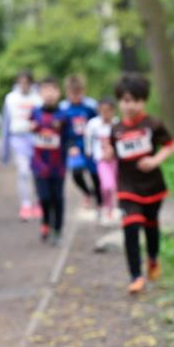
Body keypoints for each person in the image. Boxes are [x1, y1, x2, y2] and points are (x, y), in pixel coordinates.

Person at [109, 74, 174, 294]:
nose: (130, 105)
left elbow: (170, 144)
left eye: (136, 100)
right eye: (126, 100)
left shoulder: (153, 124)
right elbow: (113, 153)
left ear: (144, 101)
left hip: (152, 186)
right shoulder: (116, 129)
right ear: (119, 101)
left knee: (151, 226)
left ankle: (153, 258)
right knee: (130, 226)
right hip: (127, 187)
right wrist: (107, 154)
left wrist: (155, 160)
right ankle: (135, 275)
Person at [29, 77, 67, 245]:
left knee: (57, 198)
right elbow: (30, 130)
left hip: (58, 165)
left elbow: (70, 137)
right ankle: (45, 221)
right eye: (45, 90)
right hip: (39, 163)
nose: (49, 94)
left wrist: (72, 147)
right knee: (44, 197)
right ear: (39, 93)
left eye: (52, 89)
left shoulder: (63, 115)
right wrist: (32, 128)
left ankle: (58, 230)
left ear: (58, 92)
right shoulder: (35, 113)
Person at [1, 70, 42, 221]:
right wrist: (4, 150)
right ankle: (25, 204)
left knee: (37, 172)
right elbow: (6, 123)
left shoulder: (38, 98)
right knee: (23, 172)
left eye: (26, 82)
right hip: (18, 138)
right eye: (21, 82)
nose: (24, 85)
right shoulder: (10, 98)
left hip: (36, 139)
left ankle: (38, 202)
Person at [60, 74, 100, 213]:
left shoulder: (91, 106)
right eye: (72, 93)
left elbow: (99, 124)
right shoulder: (63, 108)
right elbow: (62, 130)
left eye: (78, 92)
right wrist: (68, 146)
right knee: (76, 173)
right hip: (74, 145)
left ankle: (99, 200)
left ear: (83, 91)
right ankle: (88, 193)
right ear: (67, 92)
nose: (75, 96)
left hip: (91, 145)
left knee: (95, 174)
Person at [85, 97, 119, 225]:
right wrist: (89, 151)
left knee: (115, 186)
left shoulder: (117, 124)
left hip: (115, 159)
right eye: (103, 110)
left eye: (108, 110)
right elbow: (88, 139)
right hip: (101, 160)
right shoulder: (93, 124)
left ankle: (113, 209)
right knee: (107, 185)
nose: (106, 113)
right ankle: (106, 207)